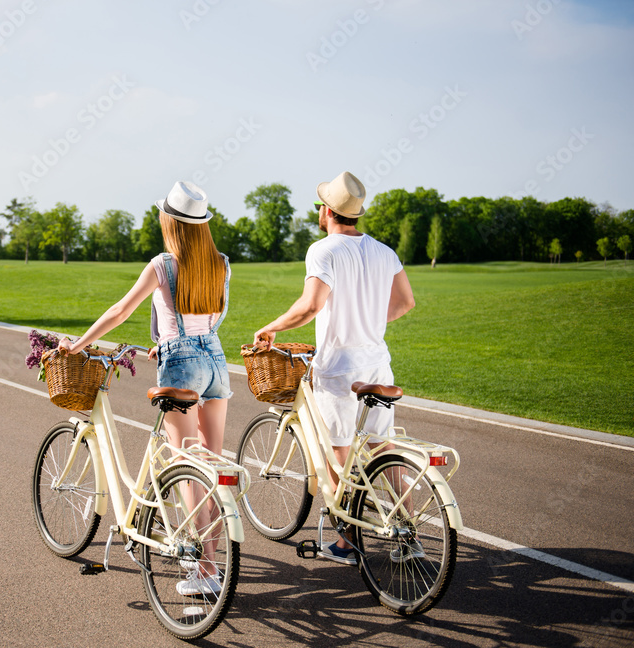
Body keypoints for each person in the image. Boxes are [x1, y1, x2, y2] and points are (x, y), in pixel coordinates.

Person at [58, 181, 232, 595]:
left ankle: (205, 570)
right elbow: (214, 316)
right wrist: (172, 341)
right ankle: (213, 557)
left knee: (187, 469)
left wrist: (76, 344)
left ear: (169, 221)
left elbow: (120, 311)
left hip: (181, 363)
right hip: (216, 359)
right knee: (211, 463)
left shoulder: (161, 265)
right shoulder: (221, 263)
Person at [252, 171, 416, 566]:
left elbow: (310, 306)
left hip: (340, 368)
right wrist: (368, 322)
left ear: (327, 211)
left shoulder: (324, 250)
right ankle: (408, 533)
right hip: (378, 364)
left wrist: (271, 327)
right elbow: (406, 302)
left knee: (337, 453)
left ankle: (346, 543)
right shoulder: (383, 251)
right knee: (382, 448)